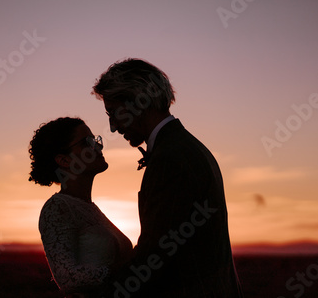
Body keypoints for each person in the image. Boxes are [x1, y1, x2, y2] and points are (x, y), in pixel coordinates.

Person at [92, 58, 243, 297]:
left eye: (113, 113)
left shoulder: (170, 158)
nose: (111, 127)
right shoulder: (188, 147)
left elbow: (156, 257)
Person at [29, 117, 133, 297]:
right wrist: (125, 269)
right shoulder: (57, 207)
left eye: (96, 140)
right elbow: (68, 279)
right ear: (64, 160)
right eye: (88, 142)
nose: (98, 147)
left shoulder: (91, 208)